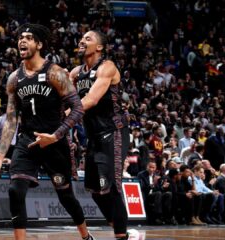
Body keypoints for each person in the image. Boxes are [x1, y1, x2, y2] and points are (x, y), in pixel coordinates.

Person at [0, 24, 94, 240]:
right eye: (21, 37)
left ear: (39, 44)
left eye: (29, 38)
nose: (22, 41)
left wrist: (56, 135)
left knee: (66, 196)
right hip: (28, 141)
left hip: (54, 141)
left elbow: (78, 108)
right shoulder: (14, 78)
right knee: (15, 190)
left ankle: (86, 236)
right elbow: (12, 119)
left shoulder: (55, 73)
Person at [70, 30, 130, 239]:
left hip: (114, 132)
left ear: (100, 47)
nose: (82, 41)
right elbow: (63, 93)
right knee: (96, 192)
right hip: (94, 136)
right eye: (81, 38)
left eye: (88, 38)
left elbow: (91, 100)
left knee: (112, 189)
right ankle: (118, 227)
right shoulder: (77, 73)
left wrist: (67, 115)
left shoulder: (107, 67)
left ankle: (120, 234)